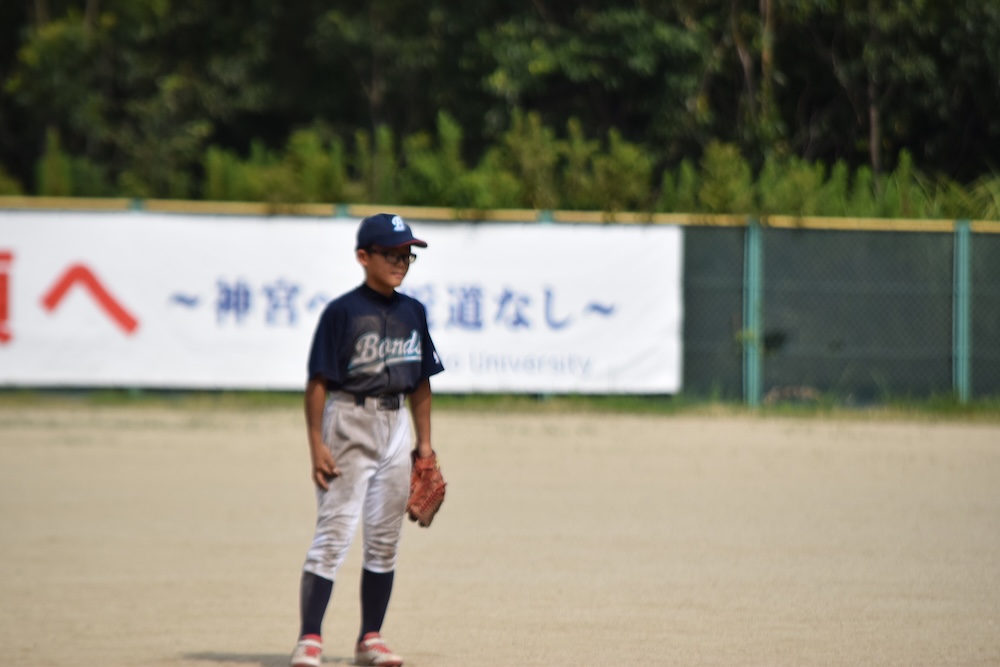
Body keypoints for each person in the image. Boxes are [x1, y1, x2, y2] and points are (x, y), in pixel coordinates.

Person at [290, 213, 445, 667]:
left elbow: (421, 382)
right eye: (391, 254)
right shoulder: (343, 312)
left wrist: (425, 447)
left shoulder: (413, 312)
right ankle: (309, 638)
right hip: (348, 420)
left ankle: (370, 639)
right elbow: (318, 382)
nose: (400, 262)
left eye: (406, 255)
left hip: (396, 424)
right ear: (363, 256)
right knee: (334, 533)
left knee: (384, 538)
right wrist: (316, 444)